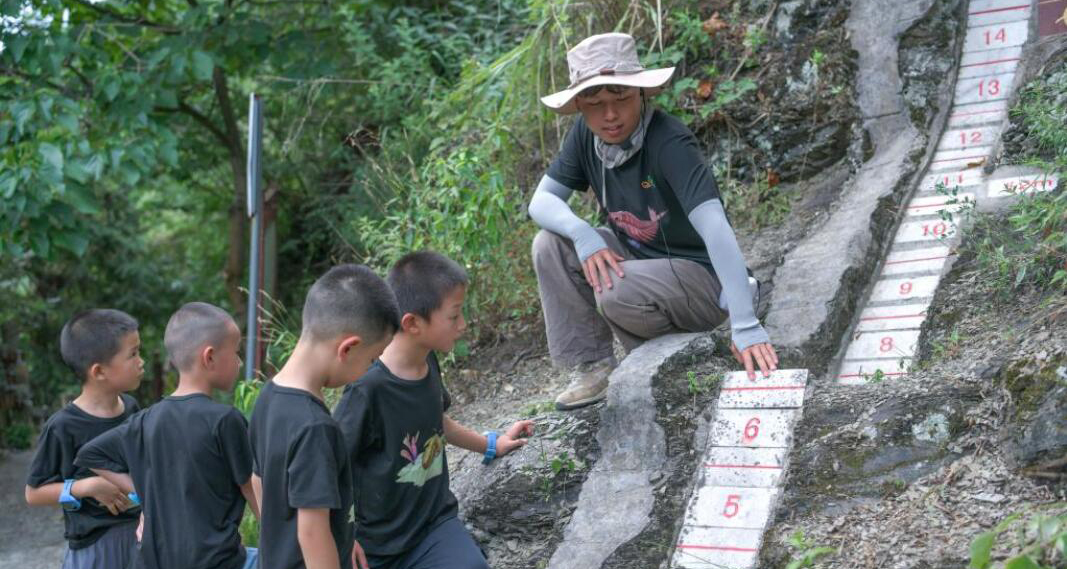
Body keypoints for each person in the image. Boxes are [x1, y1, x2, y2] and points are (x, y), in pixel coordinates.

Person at [528, 32, 779, 410]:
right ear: (579, 105)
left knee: (616, 292)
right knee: (549, 244)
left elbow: (715, 226)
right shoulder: (585, 137)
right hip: (643, 267)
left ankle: (674, 352)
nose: (609, 115)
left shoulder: (669, 142)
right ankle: (594, 367)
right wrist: (581, 233)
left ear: (641, 94)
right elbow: (542, 201)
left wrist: (745, 323)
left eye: (621, 99)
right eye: (594, 104)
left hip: (703, 281)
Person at [333, 251, 534, 569]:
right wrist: (342, 534)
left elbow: (435, 421)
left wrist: (491, 444)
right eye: (454, 316)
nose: (463, 325)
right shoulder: (366, 390)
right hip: (377, 546)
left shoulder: (427, 360)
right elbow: (331, 462)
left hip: (432, 526)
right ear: (412, 323)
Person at [75, 302, 259, 569]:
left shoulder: (145, 420)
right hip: (217, 561)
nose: (240, 362)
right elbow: (252, 488)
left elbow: (90, 454)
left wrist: (147, 493)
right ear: (209, 357)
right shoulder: (225, 420)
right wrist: (281, 542)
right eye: (236, 352)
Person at [249, 264, 400, 569]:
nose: (369, 369)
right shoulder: (315, 427)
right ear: (348, 348)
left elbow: (257, 480)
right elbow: (312, 532)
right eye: (372, 359)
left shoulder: (269, 396)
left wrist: (341, 537)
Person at [24, 309, 144, 569]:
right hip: (94, 549)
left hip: (140, 537)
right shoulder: (62, 426)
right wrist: (86, 487)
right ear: (99, 371)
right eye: (132, 354)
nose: (141, 362)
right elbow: (34, 493)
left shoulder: (133, 409)